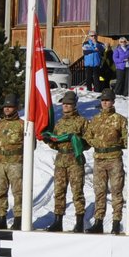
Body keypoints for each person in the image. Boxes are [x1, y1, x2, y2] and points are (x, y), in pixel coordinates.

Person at [43, 90, 90, 233]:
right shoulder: (59, 123)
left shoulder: (82, 121)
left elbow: (88, 142)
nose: (65, 106)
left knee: (77, 192)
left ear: (74, 105)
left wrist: (76, 141)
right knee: (59, 192)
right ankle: (58, 221)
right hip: (61, 160)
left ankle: (80, 222)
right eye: (63, 104)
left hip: (75, 160)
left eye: (68, 104)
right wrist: (49, 140)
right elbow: (55, 143)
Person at [85, 90, 128, 234]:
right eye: (103, 100)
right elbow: (88, 136)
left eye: (108, 100)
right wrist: (96, 143)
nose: (105, 103)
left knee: (116, 191)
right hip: (99, 160)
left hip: (114, 158)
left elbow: (127, 140)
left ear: (113, 102)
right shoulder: (95, 119)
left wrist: (114, 144)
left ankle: (116, 222)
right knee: (99, 191)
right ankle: (98, 221)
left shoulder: (120, 119)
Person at [0, 96, 26, 230]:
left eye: (9, 107)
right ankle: (1, 218)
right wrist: (2, 147)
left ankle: (18, 219)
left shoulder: (22, 125)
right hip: (0, 163)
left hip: (16, 163)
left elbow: (30, 144)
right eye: (5, 107)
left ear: (15, 108)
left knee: (18, 192)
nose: (6, 109)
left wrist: (14, 148)